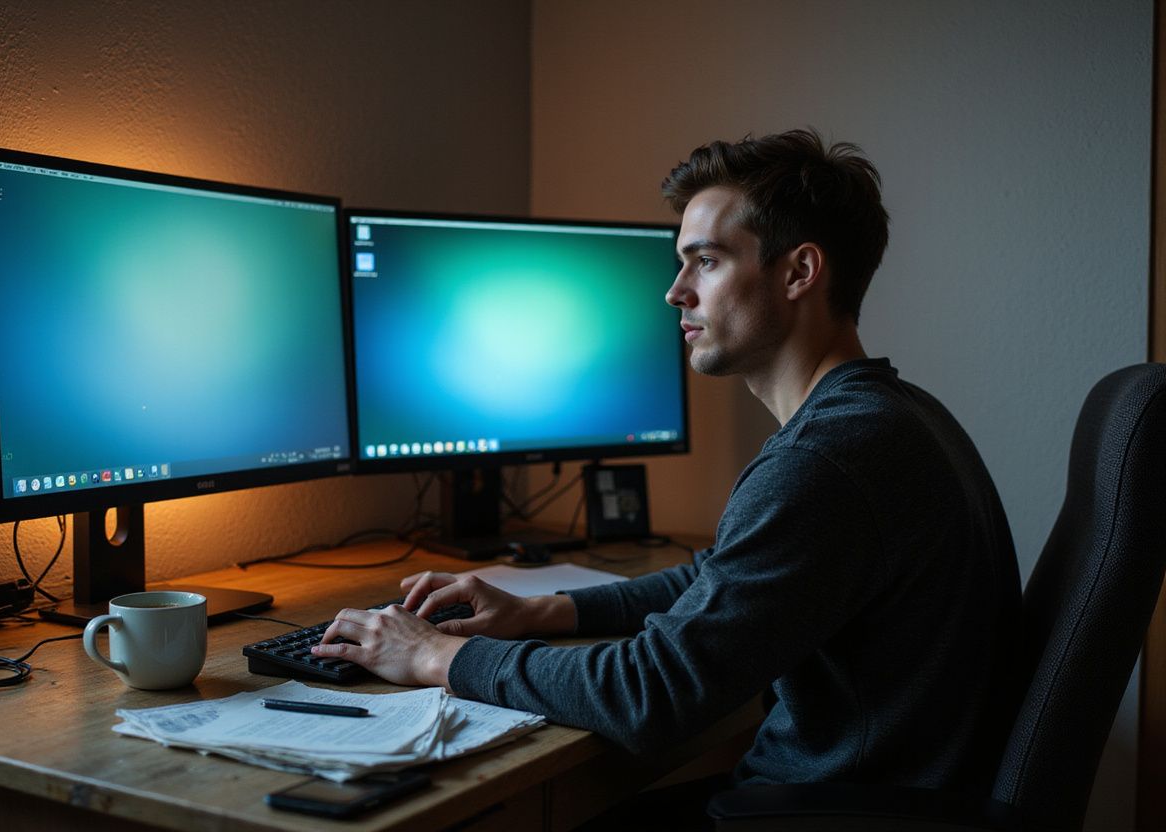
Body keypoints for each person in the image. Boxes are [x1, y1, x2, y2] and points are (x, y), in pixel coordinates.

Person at [315, 128, 1021, 818]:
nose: (674, 292)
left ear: (799, 271)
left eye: (706, 261)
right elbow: (727, 576)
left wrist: (436, 656)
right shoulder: (891, 416)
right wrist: (548, 610)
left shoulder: (826, 460)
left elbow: (650, 696)